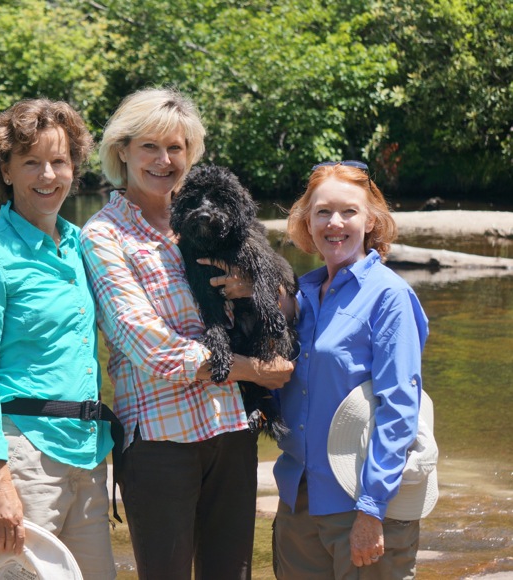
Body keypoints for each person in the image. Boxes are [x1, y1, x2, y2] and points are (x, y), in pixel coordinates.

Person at [80, 87, 294, 580]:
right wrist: (251, 370)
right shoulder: (104, 234)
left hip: (233, 428)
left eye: (175, 147)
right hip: (160, 440)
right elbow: (143, 342)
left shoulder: (214, 213)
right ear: (122, 151)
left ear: (190, 153)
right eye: (149, 147)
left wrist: (258, 292)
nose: (163, 159)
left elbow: (280, 292)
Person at [0, 98, 116, 579]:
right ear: (6, 167)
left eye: (59, 161)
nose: (48, 175)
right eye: (31, 162)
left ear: (75, 167)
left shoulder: (80, 243)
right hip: (20, 459)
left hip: (86, 450)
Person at [272, 161, 429, 579]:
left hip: (362, 502)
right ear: (307, 220)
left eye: (349, 212)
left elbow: (399, 409)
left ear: (371, 220)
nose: (334, 223)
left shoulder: (389, 296)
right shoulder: (298, 295)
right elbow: (278, 392)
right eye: (323, 211)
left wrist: (372, 510)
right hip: (297, 501)